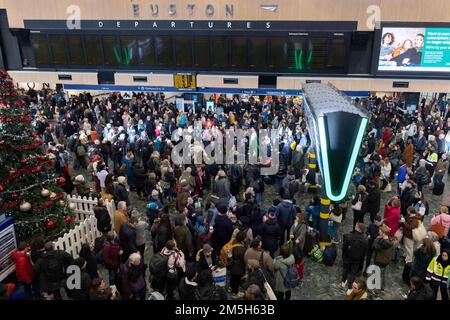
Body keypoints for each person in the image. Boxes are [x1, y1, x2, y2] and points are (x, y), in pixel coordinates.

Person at [342, 223, 368, 292]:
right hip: (357, 259)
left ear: (358, 229)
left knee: (345, 269)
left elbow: (344, 247)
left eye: (356, 226)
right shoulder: (365, 240)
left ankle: (343, 281)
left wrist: (344, 255)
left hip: (348, 256)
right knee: (353, 273)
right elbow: (365, 251)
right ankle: (350, 286)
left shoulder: (349, 236)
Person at [372, 224, 395, 291]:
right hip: (385, 260)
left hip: (380, 260)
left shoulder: (383, 243)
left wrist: (377, 239)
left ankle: (377, 290)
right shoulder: (390, 240)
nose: (379, 232)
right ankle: (382, 287)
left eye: (380, 231)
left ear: (383, 233)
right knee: (382, 274)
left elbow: (374, 246)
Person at [229, 231, 247, 299]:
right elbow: (244, 258)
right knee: (237, 279)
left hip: (232, 264)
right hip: (238, 266)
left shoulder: (234, 242)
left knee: (233, 277)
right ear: (242, 239)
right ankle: (235, 293)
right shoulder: (241, 248)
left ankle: (230, 288)